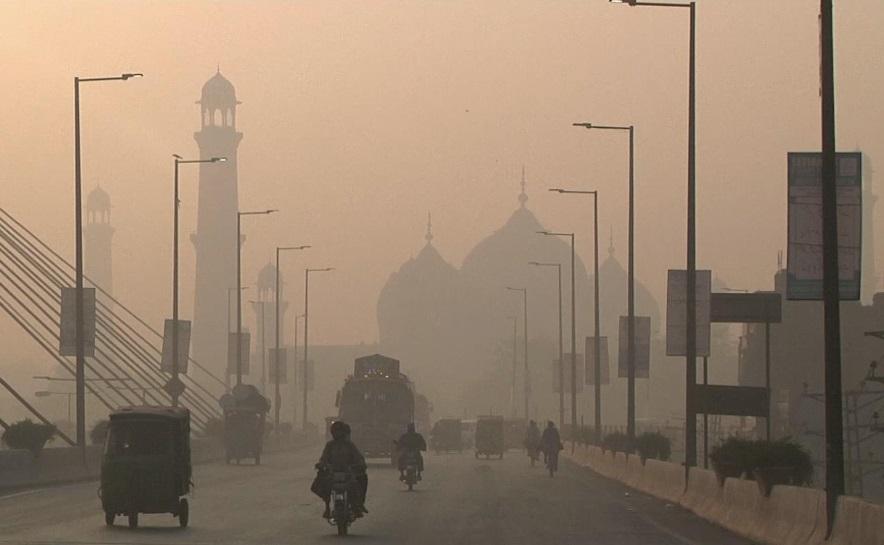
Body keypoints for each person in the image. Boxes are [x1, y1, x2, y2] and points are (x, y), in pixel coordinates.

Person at [312, 421, 368, 519]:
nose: (337, 434)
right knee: (322, 485)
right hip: (332, 473)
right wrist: (321, 465)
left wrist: (360, 465)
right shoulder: (330, 445)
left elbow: (358, 458)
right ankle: (327, 506)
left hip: (348, 473)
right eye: (336, 431)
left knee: (361, 480)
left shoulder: (350, 445)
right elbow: (324, 458)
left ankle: (358, 505)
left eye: (339, 432)